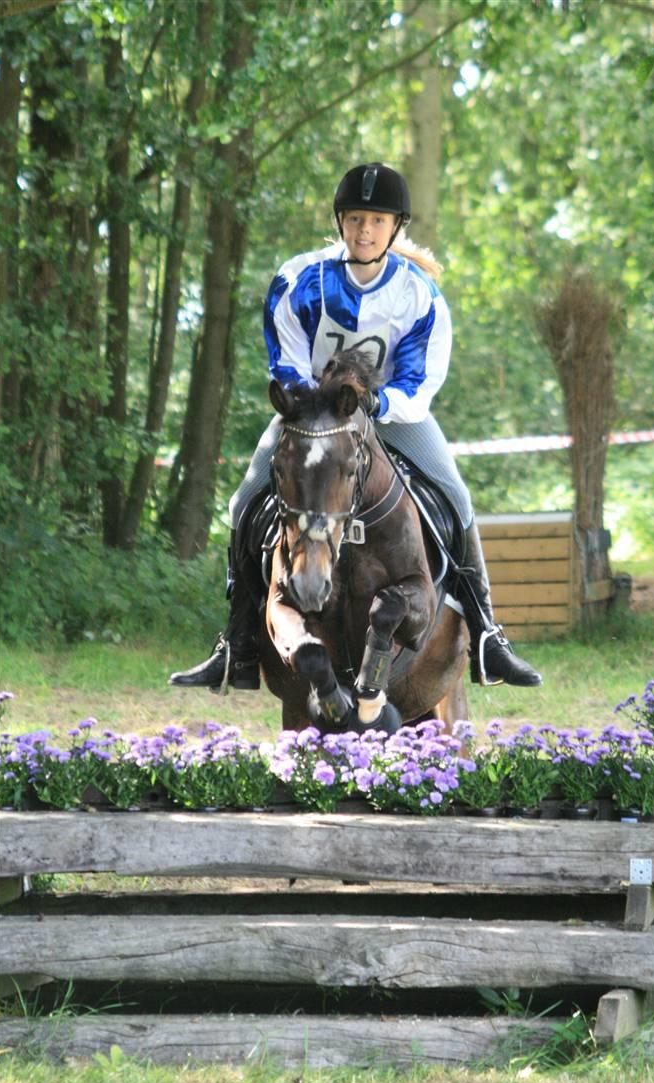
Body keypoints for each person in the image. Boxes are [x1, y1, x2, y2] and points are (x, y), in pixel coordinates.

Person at [170, 161, 542, 691]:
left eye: (377, 220)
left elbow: (419, 382)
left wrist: (374, 404)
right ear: (341, 221)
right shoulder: (299, 281)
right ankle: (237, 643)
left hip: (391, 418)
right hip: (312, 420)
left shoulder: (419, 296)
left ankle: (488, 637)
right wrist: (316, 408)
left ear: (396, 228)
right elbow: (287, 364)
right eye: (355, 218)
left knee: (457, 498)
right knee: (243, 501)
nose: (364, 230)